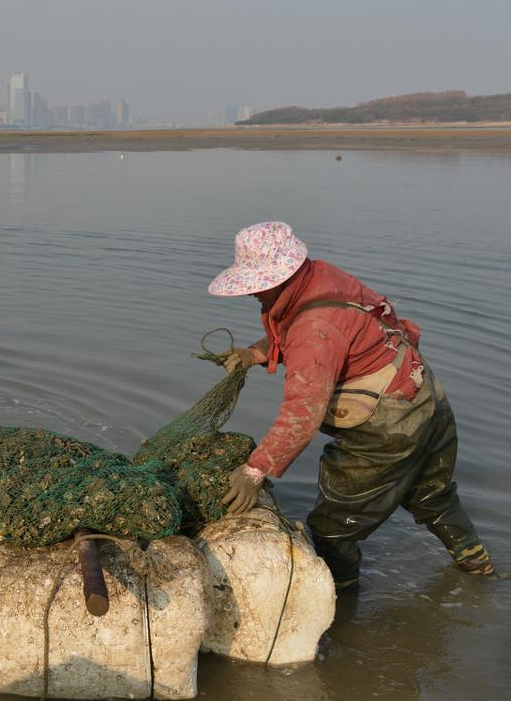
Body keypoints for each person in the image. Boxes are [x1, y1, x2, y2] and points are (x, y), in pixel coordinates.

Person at [208, 221, 494, 588]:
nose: (253, 294)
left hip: (389, 426)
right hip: (425, 399)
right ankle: (480, 570)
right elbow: (326, 331)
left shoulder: (315, 328)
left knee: (332, 531)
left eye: (258, 285)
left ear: (281, 276)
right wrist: (254, 353)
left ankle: (341, 618)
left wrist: (254, 471)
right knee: (432, 496)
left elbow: (302, 414)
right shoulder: (320, 278)